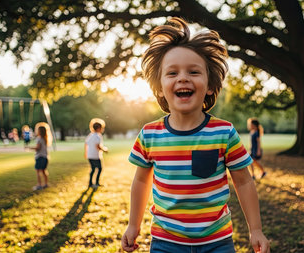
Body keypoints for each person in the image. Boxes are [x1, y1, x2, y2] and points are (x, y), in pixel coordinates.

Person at [121, 18, 270, 253]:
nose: (183, 78)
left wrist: (256, 229)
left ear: (210, 85)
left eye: (193, 71)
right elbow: (141, 181)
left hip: (217, 242)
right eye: (172, 72)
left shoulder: (224, 133)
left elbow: (244, 181)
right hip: (166, 242)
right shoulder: (149, 134)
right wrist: (133, 224)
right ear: (159, 86)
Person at [84, 118, 108, 189]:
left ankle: (91, 183)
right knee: (100, 169)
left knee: (93, 169)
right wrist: (105, 150)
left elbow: (86, 144)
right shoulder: (98, 136)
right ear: (99, 128)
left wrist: (86, 153)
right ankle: (96, 183)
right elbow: (98, 146)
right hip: (95, 156)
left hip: (90, 155)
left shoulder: (90, 135)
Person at [30, 123, 52, 191]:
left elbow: (37, 148)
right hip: (45, 157)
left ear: (39, 131)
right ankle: (45, 184)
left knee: (38, 171)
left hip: (40, 157)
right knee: (43, 171)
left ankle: (39, 185)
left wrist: (29, 148)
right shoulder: (45, 139)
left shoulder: (39, 139)